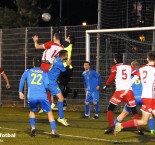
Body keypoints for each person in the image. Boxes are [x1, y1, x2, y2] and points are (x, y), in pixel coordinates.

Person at [114, 51, 155, 136]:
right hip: (150, 99)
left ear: (147, 58)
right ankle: (121, 125)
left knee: (144, 121)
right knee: (143, 121)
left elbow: (131, 81)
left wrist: (125, 92)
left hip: (146, 98)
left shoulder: (141, 69)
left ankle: (120, 125)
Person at [18, 57, 59, 137]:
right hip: (42, 96)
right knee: (49, 111)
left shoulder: (28, 71)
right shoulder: (44, 73)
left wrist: (20, 92)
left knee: (32, 111)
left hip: (32, 96)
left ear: (33, 63)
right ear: (41, 64)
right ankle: (53, 130)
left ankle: (33, 128)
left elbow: (22, 80)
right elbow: (47, 85)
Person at [103, 53, 143, 135]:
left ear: (115, 60)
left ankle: (111, 126)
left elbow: (112, 76)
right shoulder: (129, 67)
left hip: (119, 92)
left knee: (110, 109)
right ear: (122, 59)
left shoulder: (115, 67)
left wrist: (106, 84)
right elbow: (136, 75)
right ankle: (139, 129)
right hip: (129, 92)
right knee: (134, 111)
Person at [32, 32, 63, 109]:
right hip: (51, 66)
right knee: (46, 85)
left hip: (45, 65)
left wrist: (35, 41)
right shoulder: (62, 48)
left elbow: (37, 47)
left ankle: (47, 103)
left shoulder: (50, 44)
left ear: (55, 37)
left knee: (40, 84)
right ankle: (49, 103)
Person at [48, 50, 71, 126]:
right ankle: (61, 118)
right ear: (64, 56)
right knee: (61, 98)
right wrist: (68, 65)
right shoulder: (59, 63)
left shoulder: (56, 59)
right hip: (51, 82)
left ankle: (60, 116)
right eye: (66, 55)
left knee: (60, 98)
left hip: (50, 80)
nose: (67, 56)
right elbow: (65, 73)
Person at [52, 34, 75, 110]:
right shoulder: (69, 46)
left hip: (65, 68)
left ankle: (60, 102)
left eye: (67, 37)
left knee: (58, 84)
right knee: (61, 84)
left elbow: (59, 40)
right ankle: (64, 99)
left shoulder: (67, 44)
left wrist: (58, 33)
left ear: (68, 38)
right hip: (66, 69)